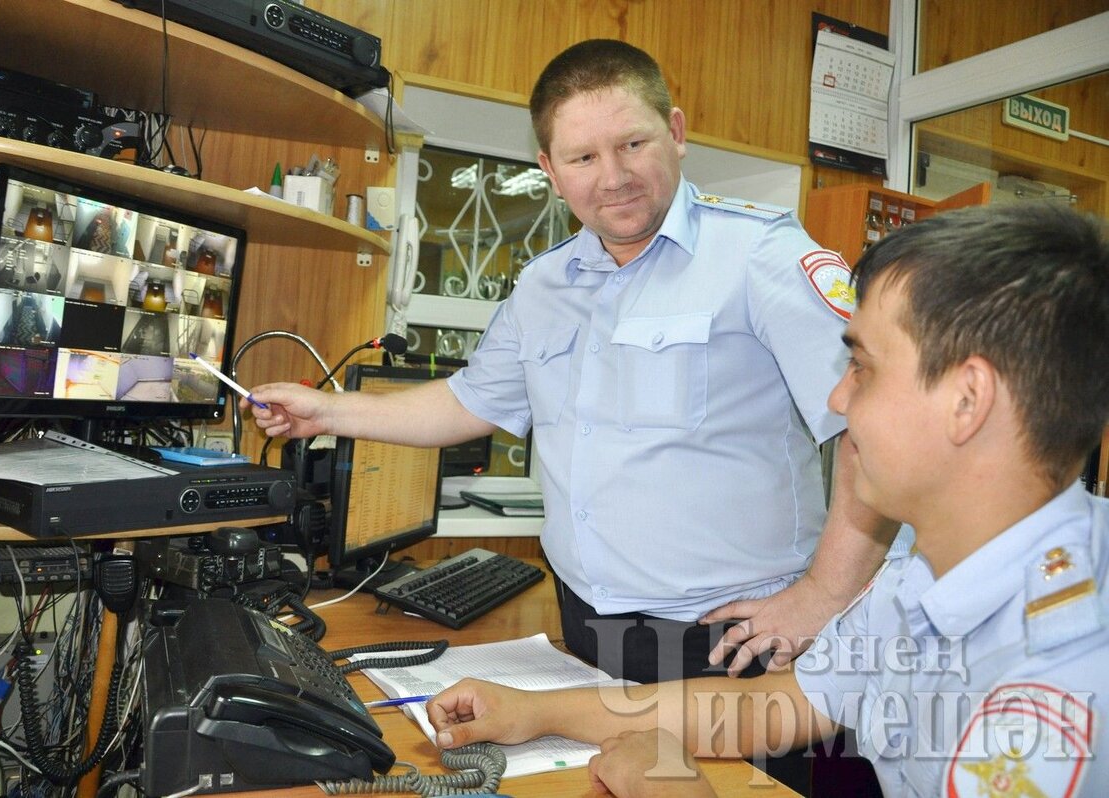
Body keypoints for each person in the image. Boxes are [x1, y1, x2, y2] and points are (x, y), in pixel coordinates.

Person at [244, 39, 896, 685]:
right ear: (551, 171)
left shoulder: (762, 255)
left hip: (731, 637)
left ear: (675, 132)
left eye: (632, 144)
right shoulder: (542, 286)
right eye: (583, 157)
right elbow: (467, 402)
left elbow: (878, 428)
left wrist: (824, 594)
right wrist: (326, 410)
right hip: (584, 622)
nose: (612, 177)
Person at [423, 201, 1109, 797]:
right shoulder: (921, 570)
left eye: (863, 369)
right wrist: (538, 712)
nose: (837, 400)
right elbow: (773, 706)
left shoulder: (1062, 679)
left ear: (968, 400)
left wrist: (676, 790)